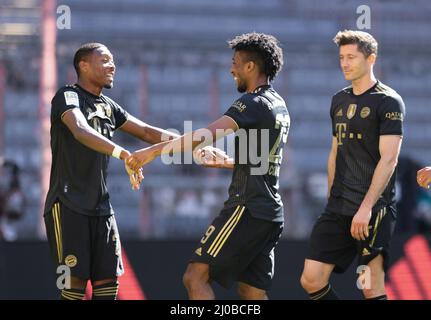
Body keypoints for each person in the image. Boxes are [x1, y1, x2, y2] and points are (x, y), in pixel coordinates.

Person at [127, 32, 289, 300]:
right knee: (251, 292)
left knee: (195, 276)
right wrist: (227, 162)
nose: (231, 69)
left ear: (250, 66)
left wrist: (153, 152)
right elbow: (265, 161)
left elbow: (205, 134)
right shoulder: (279, 104)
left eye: (236, 62)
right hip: (270, 212)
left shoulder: (252, 102)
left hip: (247, 207)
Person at [43, 43, 185, 300]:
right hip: (67, 205)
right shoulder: (67, 96)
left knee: (107, 284)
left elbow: (146, 132)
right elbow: (80, 130)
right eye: (105, 60)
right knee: (72, 287)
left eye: (113, 61)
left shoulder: (108, 106)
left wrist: (193, 145)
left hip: (101, 208)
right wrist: (124, 153)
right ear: (83, 66)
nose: (112, 66)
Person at [300, 30, 405, 300]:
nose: (345, 63)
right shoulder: (338, 99)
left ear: (371, 59)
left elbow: (389, 159)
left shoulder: (388, 101)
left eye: (351, 57)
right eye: (341, 57)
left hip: (373, 210)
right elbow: (335, 150)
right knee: (311, 279)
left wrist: (366, 208)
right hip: (338, 207)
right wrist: (331, 194)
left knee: (370, 287)